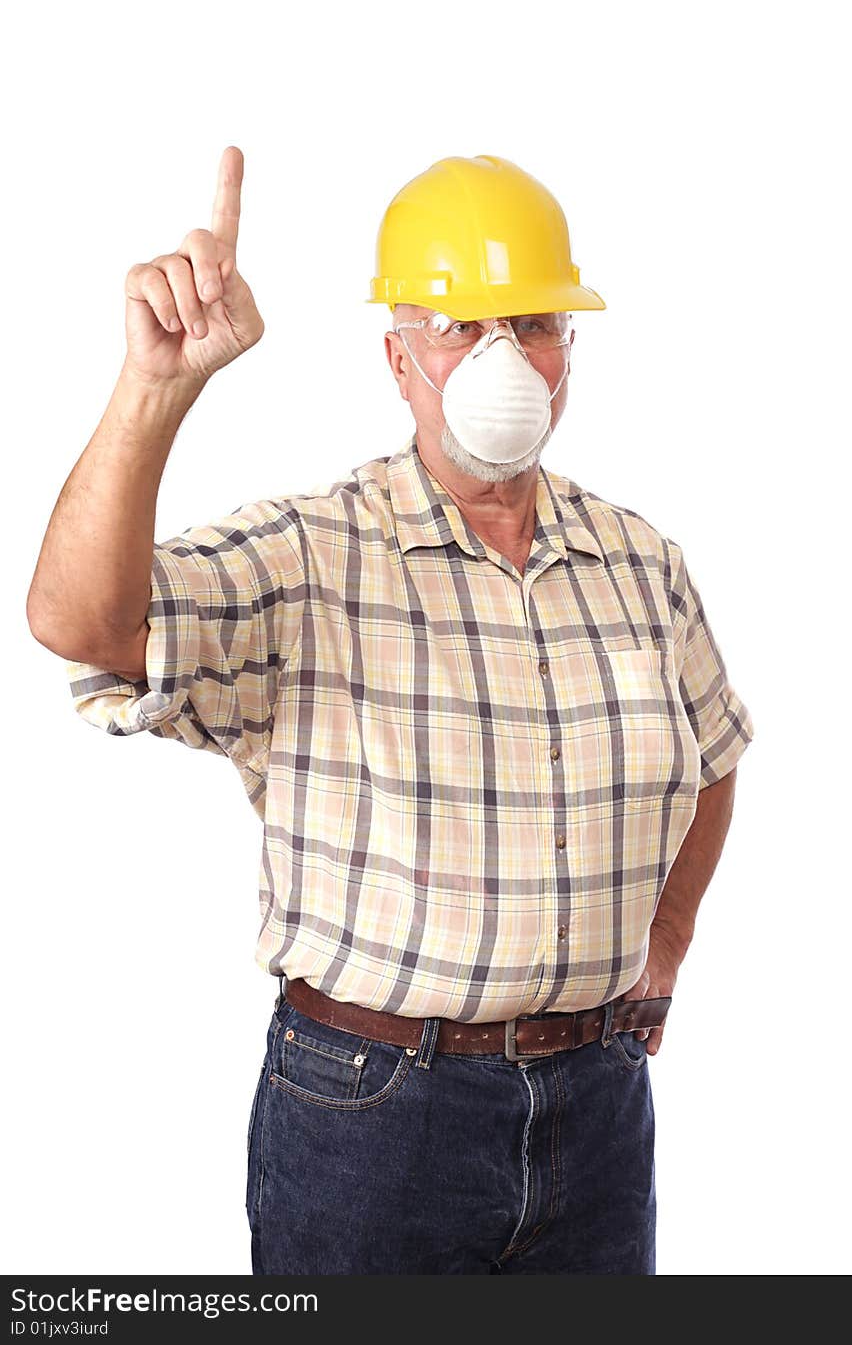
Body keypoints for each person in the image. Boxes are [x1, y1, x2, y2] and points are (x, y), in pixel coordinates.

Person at [26, 145, 754, 1276]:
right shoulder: (310, 554)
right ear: (398, 355)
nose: (505, 357)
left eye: (534, 323)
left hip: (599, 1107)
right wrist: (155, 391)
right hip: (372, 1119)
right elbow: (83, 623)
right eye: (463, 327)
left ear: (571, 349)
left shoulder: (639, 560)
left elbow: (715, 749)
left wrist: (668, 935)